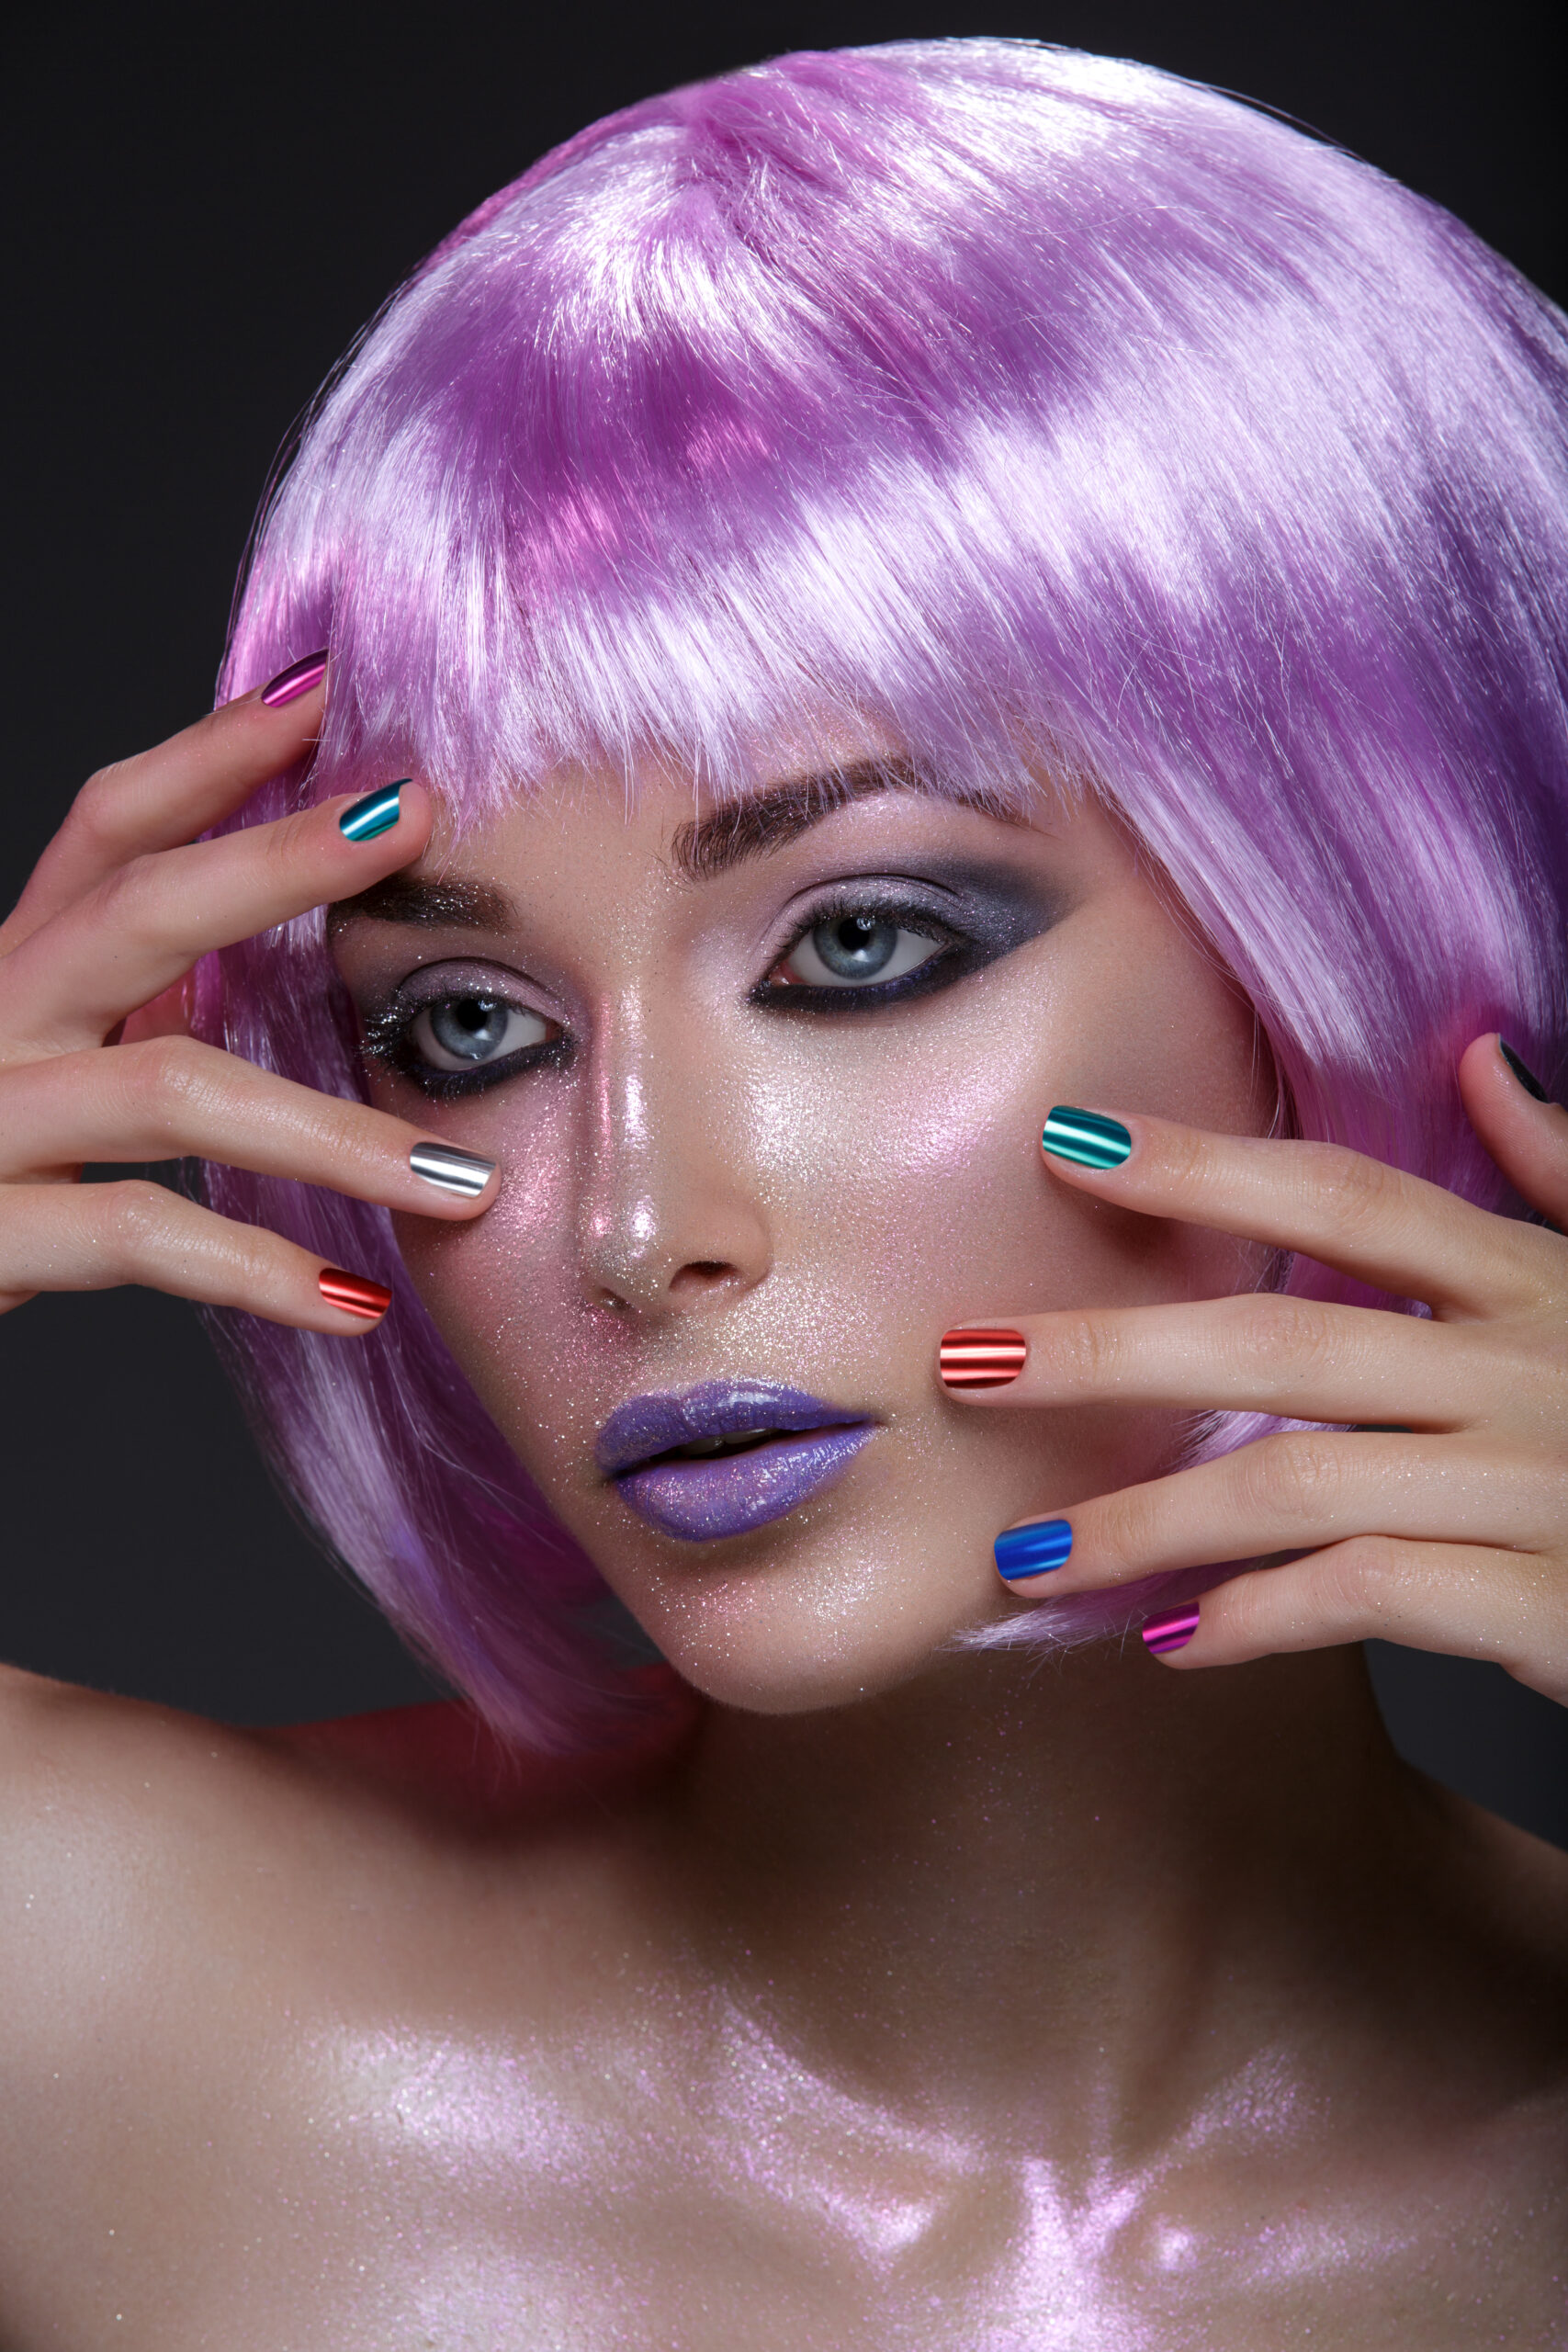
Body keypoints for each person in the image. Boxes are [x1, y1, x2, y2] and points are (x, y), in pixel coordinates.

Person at [1, 36, 1564, 2346]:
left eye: (856, 944)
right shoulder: (81, 1990)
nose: (635, 1225)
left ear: (1357, 909)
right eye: (469, 1027)